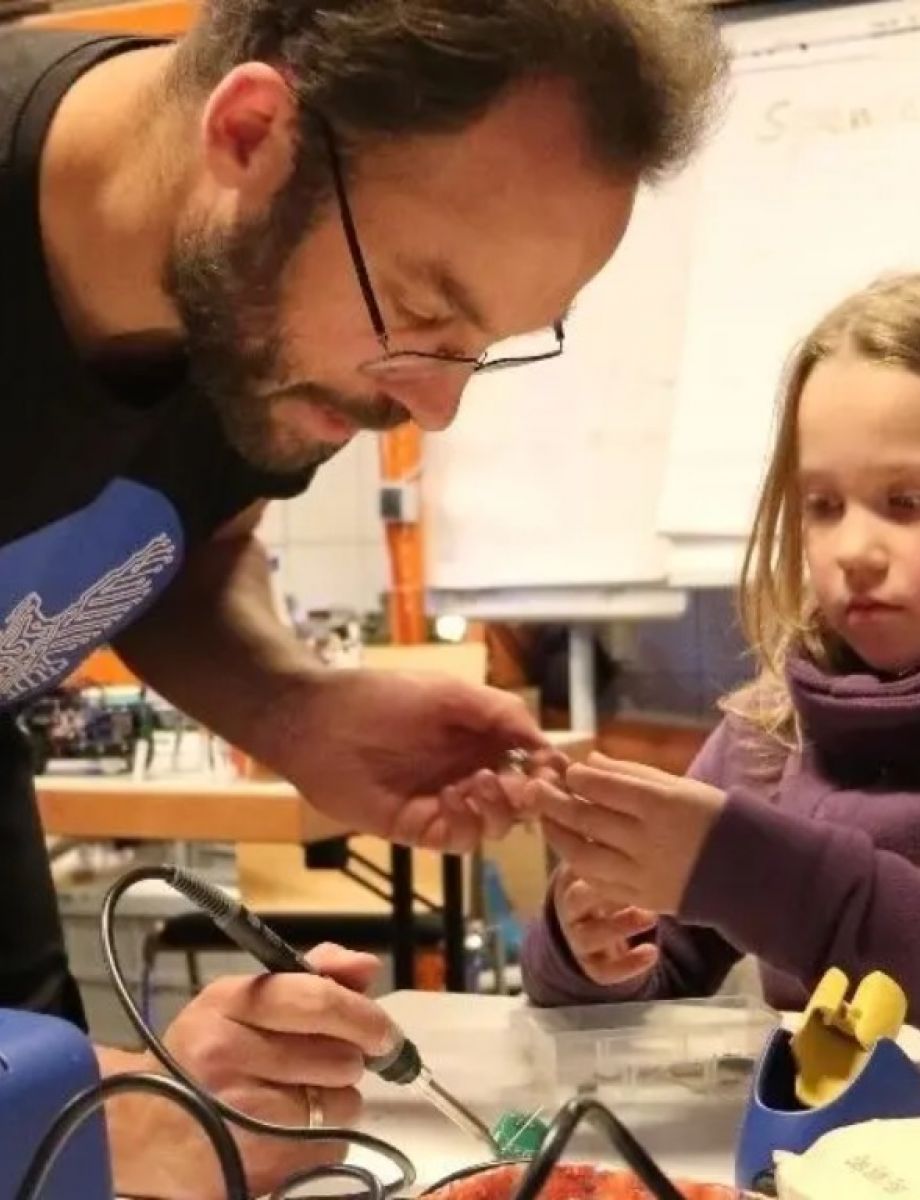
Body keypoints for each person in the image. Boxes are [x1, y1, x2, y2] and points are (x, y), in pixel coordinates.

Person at [0, 0, 725, 1193]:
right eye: (424, 313)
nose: (431, 408)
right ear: (249, 134)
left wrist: (293, 707)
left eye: (483, 345)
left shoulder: (242, 294)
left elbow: (183, 546)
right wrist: (102, 1118)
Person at [522, 273, 920, 1029]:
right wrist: (591, 947)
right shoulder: (771, 734)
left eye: (908, 502)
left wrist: (761, 873)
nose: (855, 549)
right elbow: (658, 972)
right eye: (823, 506)